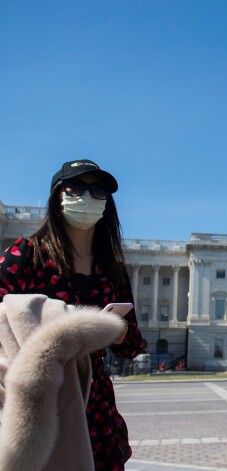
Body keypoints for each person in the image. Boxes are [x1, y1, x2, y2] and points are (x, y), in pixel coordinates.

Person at [0, 159, 144, 470]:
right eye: (75, 188)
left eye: (98, 191)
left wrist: (117, 332)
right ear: (57, 196)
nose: (87, 197)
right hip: (41, 394)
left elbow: (132, 345)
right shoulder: (26, 255)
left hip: (95, 399)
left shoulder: (112, 269)